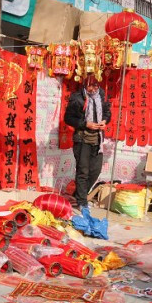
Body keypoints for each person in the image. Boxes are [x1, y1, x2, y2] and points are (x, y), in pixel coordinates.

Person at [64, 75, 111, 210]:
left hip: (97, 138)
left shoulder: (101, 95)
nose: (93, 89)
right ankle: (82, 202)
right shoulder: (77, 98)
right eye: (90, 86)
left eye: (96, 86)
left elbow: (107, 113)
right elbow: (68, 118)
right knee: (83, 171)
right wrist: (85, 124)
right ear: (85, 85)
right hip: (82, 138)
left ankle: (79, 194)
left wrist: (104, 122)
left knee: (95, 171)